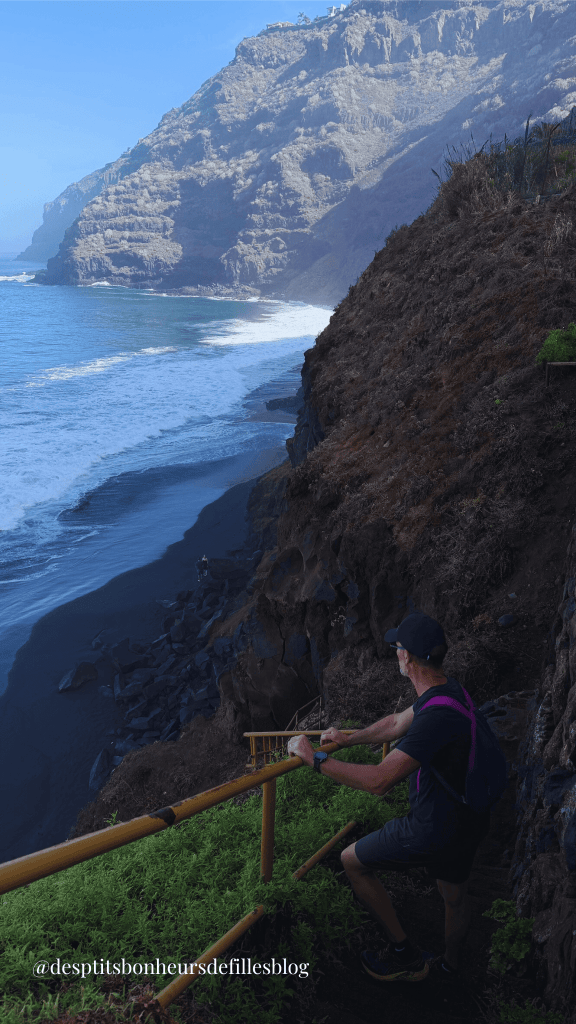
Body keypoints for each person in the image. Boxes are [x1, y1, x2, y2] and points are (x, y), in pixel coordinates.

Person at [287, 612, 491, 984]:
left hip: (433, 825)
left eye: (398, 648)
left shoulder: (434, 719)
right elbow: (397, 722)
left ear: (407, 658)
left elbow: (380, 781)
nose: (396, 653)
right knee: (453, 893)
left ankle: (405, 956)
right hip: (468, 814)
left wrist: (314, 758)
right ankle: (451, 966)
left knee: (352, 860)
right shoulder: (448, 691)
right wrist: (350, 738)